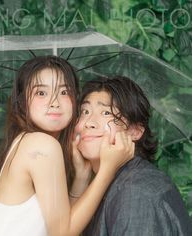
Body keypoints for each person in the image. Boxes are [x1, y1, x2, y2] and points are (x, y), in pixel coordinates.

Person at [0, 56, 134, 236]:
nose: (55, 102)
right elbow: (62, 234)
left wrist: (81, 177)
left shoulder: (26, 141)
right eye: (41, 93)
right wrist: (108, 169)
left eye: (64, 92)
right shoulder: (41, 145)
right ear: (22, 102)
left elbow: (61, 225)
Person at [74, 76, 192, 236]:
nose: (89, 122)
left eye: (106, 112)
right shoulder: (111, 183)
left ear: (135, 131)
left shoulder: (135, 191)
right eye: (85, 111)